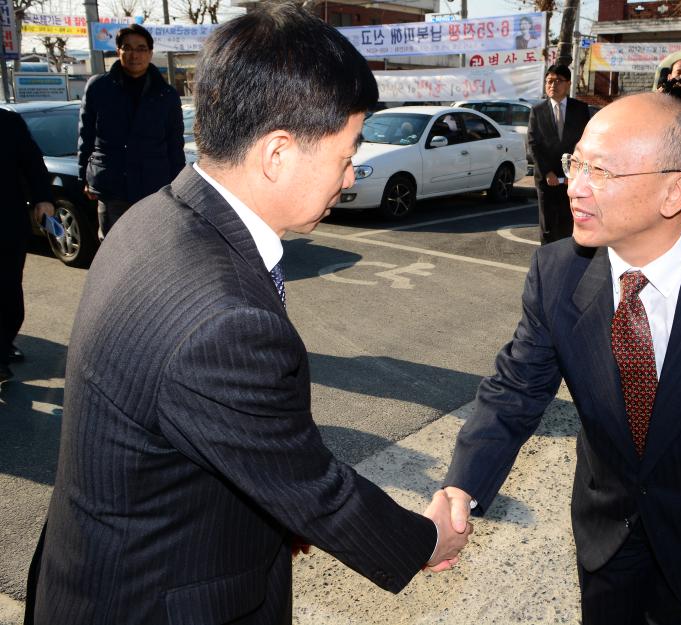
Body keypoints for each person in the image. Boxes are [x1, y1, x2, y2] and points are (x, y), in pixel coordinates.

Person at [25, 5, 470, 624]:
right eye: (346, 155)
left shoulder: (154, 216)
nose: (347, 180)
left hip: (111, 563)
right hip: (158, 598)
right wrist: (423, 542)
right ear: (278, 153)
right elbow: (307, 482)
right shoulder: (224, 319)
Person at [439, 92, 681, 625]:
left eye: (602, 171)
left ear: (675, 191)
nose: (575, 186)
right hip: (605, 534)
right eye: (577, 163)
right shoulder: (557, 272)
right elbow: (515, 389)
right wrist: (462, 486)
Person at [78, 23, 185, 240]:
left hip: (154, 186)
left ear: (150, 53)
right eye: (127, 47)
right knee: (112, 250)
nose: (134, 54)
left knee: (153, 248)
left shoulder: (166, 94)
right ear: (118, 51)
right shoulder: (99, 87)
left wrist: (178, 184)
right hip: (112, 186)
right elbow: (85, 136)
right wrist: (85, 176)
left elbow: (175, 143)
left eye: (141, 48)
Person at [0, 110, 54, 385]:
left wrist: (43, 199)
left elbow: (33, 163)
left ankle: (4, 342)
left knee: (9, 292)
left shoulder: (9, 123)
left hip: (7, 225)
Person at [528, 64, 590, 244]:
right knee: (548, 226)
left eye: (558, 81)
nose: (552, 85)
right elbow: (534, 144)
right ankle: (547, 265)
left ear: (568, 84)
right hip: (547, 179)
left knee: (568, 223)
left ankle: (567, 262)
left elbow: (585, 141)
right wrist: (547, 172)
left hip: (572, 178)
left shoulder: (580, 109)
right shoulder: (537, 111)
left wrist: (576, 171)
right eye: (549, 81)